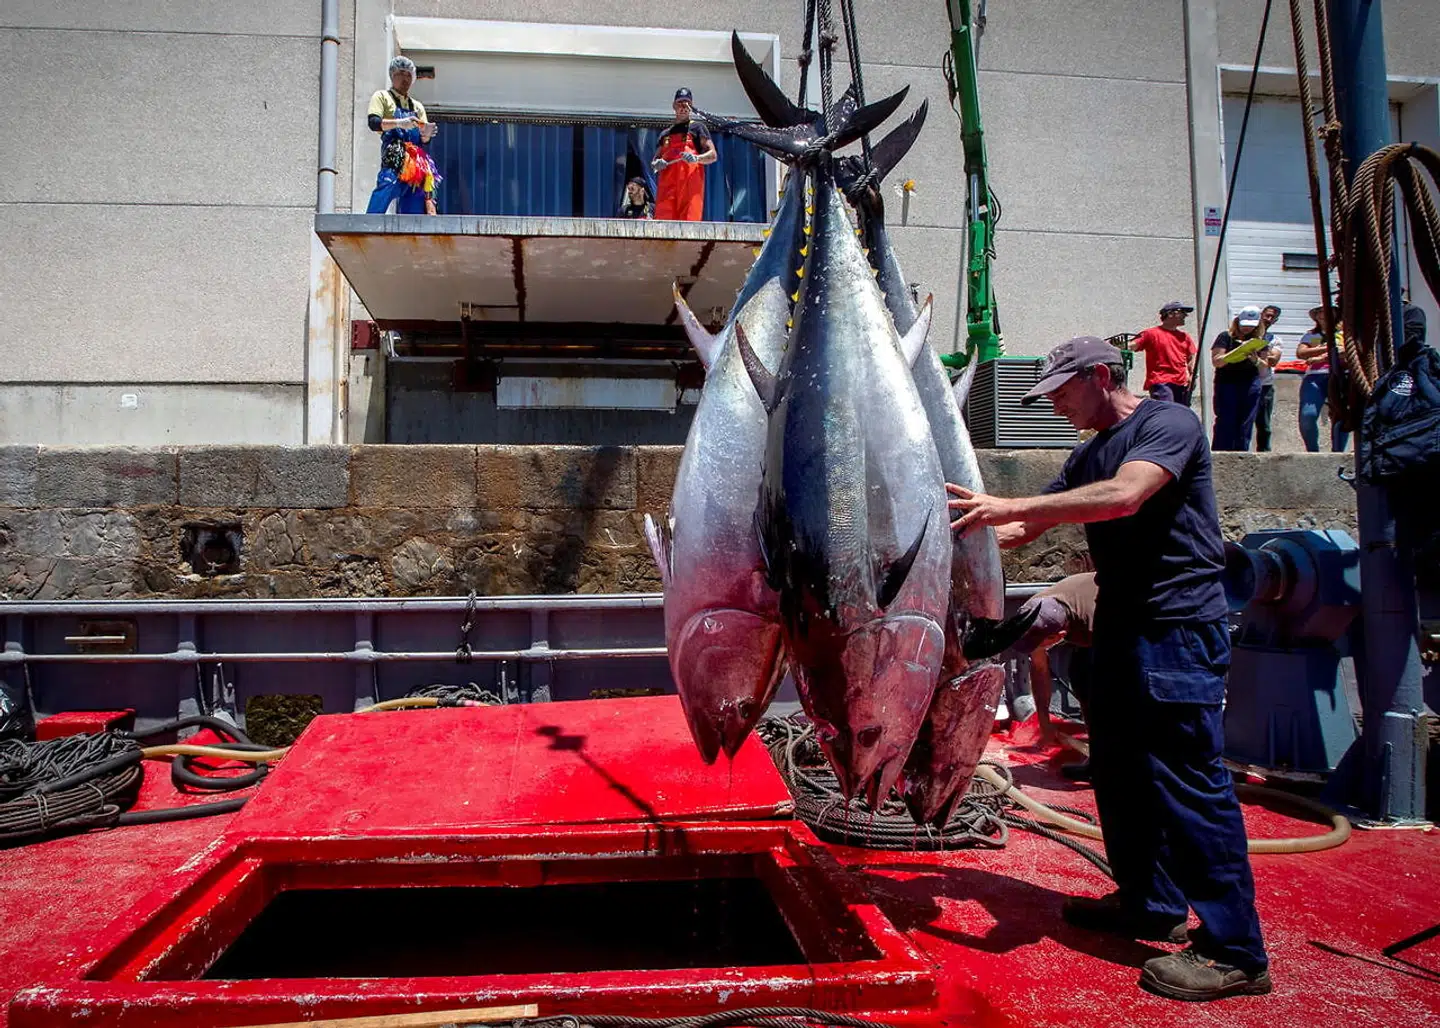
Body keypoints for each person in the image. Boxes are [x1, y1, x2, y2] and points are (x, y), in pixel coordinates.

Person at [947, 335, 1271, 1002]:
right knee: (1120, 774)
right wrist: (945, 536)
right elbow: (1020, 529)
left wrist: (1013, 506)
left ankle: (1236, 951)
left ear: (1100, 375)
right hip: (1122, 630)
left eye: (1062, 391)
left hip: (1177, 628)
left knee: (1187, 782)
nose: (1055, 406)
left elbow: (1125, 496)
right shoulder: (1087, 452)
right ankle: (1150, 904)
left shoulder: (1167, 424)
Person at [987, 572, 1098, 780]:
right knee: (1080, 674)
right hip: (1080, 619)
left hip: (1131, 618)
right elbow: (1039, 669)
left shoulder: (1093, 623)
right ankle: (1097, 763)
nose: (1033, 650)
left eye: (1038, 645)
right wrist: (1044, 722)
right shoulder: (1034, 611)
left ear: (1059, 636)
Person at [366, 56, 439, 215]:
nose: (405, 78)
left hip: (415, 162)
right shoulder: (382, 97)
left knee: (414, 201)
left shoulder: (417, 106)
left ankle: (412, 229)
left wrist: (427, 134)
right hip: (395, 156)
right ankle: (368, 223)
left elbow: (423, 140)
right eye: (400, 73)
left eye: (408, 75)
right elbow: (373, 122)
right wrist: (399, 123)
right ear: (392, 75)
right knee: (387, 185)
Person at [652, 88, 717, 221]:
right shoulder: (665, 134)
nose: (683, 107)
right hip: (667, 189)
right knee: (664, 224)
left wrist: (697, 158)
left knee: (689, 222)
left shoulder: (697, 128)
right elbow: (654, 162)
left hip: (689, 187)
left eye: (687, 104)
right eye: (680, 103)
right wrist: (657, 163)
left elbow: (713, 155)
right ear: (674, 106)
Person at [1210, 306, 1269, 451]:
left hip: (1250, 382)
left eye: (1251, 326)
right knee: (1226, 418)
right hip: (1227, 381)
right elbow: (1216, 361)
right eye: (1244, 325)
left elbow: (1264, 366)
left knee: (1246, 420)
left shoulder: (1259, 341)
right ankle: (1221, 451)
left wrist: (1255, 360)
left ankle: (1241, 451)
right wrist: (1234, 354)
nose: (1246, 329)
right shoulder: (1225, 337)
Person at [1295, 305, 1349, 453]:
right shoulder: (1313, 335)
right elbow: (1301, 353)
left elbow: (1347, 350)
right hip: (1315, 376)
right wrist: (1328, 348)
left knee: (1340, 415)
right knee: (1308, 415)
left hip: (1340, 375)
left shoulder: (1345, 333)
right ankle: (1312, 451)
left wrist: (1320, 356)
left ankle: (1338, 452)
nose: (1322, 315)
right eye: (1319, 312)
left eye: (1327, 312)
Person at [1127, 301, 1198, 405]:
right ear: (1170, 314)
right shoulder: (1151, 334)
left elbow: (1191, 358)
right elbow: (1132, 345)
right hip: (1161, 382)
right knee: (1167, 409)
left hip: (1181, 383)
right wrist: (1116, 347)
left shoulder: (1185, 337)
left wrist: (1193, 376)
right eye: (1182, 312)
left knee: (1181, 412)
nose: (1185, 316)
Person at [1254, 306, 1285, 452]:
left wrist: (1262, 350)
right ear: (1261, 315)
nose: (1268, 319)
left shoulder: (1275, 340)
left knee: (1264, 424)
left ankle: (1264, 453)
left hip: (1265, 385)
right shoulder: (1247, 334)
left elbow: (1273, 360)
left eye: (1272, 317)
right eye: (1267, 315)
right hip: (1245, 382)